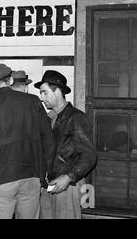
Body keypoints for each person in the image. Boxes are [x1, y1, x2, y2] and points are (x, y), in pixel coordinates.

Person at [0, 64, 54, 219]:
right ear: (10, 80)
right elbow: (48, 139)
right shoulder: (33, 101)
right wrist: (44, 171)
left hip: (0, 177)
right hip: (31, 175)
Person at [34, 70, 97, 219]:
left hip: (67, 187)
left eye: (44, 93)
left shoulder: (76, 117)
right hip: (47, 185)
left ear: (58, 91)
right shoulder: (48, 119)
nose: (42, 98)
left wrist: (68, 177)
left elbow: (89, 155)